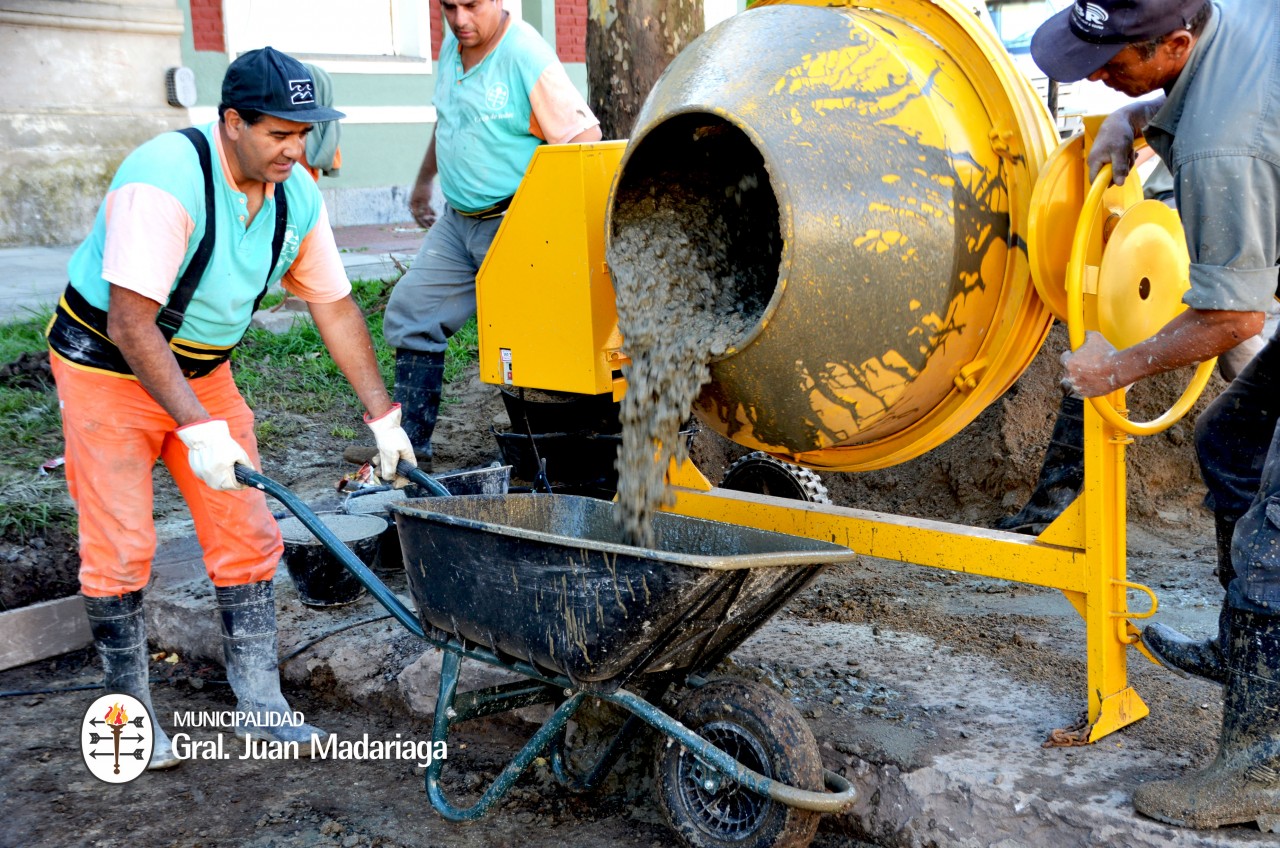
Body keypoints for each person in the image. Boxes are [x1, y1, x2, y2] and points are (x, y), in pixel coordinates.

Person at [47, 47, 416, 769]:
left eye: (304, 133)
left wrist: (383, 415)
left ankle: (260, 701)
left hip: (200, 369)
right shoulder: (165, 181)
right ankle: (128, 718)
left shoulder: (295, 196)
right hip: (106, 367)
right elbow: (130, 322)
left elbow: (335, 306)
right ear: (231, 123)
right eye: (278, 133)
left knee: (245, 532)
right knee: (122, 545)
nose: (294, 149)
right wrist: (198, 429)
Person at [1031, 0, 1280, 830]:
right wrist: (1135, 113)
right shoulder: (1230, 20)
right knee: (1232, 441)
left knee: (1275, 540)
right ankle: (1250, 656)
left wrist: (1117, 365)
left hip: (1233, 276)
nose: (1095, 74)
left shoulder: (1221, 146)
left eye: (1115, 64)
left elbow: (1235, 319)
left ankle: (1259, 770)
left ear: (1177, 43)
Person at [382, 0, 601, 468]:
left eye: (472, 5)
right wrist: (425, 181)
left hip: (515, 222)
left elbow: (585, 139)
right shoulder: (452, 45)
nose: (460, 20)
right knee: (413, 311)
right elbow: (451, 120)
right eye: (448, 7)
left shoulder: (525, 54)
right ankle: (408, 449)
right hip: (458, 221)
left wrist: (544, 225)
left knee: (539, 346)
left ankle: (574, 463)